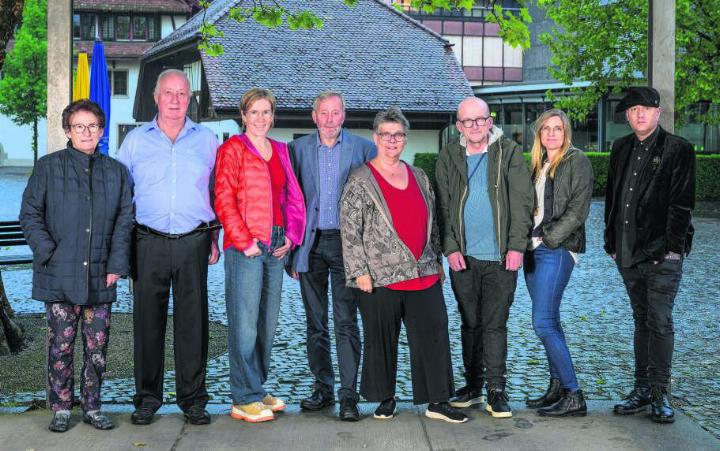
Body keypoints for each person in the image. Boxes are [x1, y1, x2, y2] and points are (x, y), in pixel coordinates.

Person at [340, 107, 468, 424]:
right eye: (386, 134)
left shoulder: (419, 176)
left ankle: (438, 400)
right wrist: (359, 272)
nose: (392, 140)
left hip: (423, 272)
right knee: (381, 339)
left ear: (404, 139)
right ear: (376, 138)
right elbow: (349, 230)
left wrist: (436, 261)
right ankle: (386, 399)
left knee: (434, 335)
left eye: (398, 134)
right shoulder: (360, 179)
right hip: (379, 276)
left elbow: (433, 224)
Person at [19, 99, 133, 432]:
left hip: (101, 273)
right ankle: (61, 407)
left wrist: (117, 264)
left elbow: (125, 223)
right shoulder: (48, 167)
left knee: (97, 347)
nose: (86, 132)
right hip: (59, 274)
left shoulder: (116, 172)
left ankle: (93, 406)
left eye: (93, 126)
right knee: (61, 344)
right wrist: (49, 254)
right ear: (68, 130)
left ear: (101, 130)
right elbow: (30, 215)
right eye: (79, 126)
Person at [117, 69, 221, 426]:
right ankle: (147, 398)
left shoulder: (208, 140)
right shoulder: (134, 142)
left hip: (194, 241)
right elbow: (120, 195)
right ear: (155, 96)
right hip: (147, 241)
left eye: (182, 94)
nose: (176, 100)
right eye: (169, 93)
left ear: (189, 98)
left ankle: (192, 399)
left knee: (193, 324)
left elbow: (217, 193)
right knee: (148, 323)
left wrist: (213, 236)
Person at [435, 96, 534, 418]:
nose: (474, 126)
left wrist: (517, 246)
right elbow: (443, 208)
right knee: (469, 323)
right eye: (467, 121)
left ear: (489, 121)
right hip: (463, 257)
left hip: (501, 257)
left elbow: (522, 202)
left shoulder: (509, 152)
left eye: (480, 120)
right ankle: (473, 385)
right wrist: (449, 248)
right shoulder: (449, 155)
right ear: (459, 125)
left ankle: (496, 390)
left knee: (494, 324)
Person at [214, 88, 306, 423]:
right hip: (247, 245)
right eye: (254, 112)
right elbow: (223, 198)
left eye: (266, 112)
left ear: (273, 115)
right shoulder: (233, 149)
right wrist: (243, 240)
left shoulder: (281, 150)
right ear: (243, 115)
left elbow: (294, 197)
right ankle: (243, 397)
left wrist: (292, 237)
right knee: (245, 324)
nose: (261, 118)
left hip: (276, 243)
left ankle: (255, 386)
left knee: (266, 323)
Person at [604, 87, 695, 424]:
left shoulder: (678, 149)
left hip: (662, 256)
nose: (639, 114)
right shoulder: (620, 148)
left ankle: (659, 393)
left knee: (659, 321)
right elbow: (613, 196)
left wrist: (672, 248)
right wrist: (610, 240)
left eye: (645, 109)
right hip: (626, 253)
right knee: (641, 321)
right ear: (627, 115)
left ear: (658, 112)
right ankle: (641, 389)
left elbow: (682, 204)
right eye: (633, 109)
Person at [287, 90, 376, 421]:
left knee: (345, 321)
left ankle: (348, 395)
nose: (329, 119)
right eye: (323, 113)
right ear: (314, 116)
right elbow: (291, 203)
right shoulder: (297, 150)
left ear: (343, 115)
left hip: (347, 246)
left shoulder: (364, 149)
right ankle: (322, 388)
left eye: (335, 113)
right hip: (310, 245)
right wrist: (290, 254)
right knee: (315, 323)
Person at [523, 109, 593, 417]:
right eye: (546, 129)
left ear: (566, 133)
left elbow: (577, 211)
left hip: (558, 248)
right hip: (532, 251)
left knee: (542, 322)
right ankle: (557, 387)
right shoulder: (537, 164)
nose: (552, 134)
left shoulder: (577, 161)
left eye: (558, 129)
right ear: (538, 134)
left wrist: (549, 239)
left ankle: (574, 393)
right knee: (551, 320)